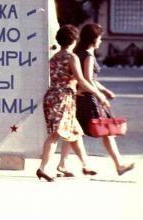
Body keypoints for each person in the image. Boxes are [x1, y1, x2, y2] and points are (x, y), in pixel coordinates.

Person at [56, 23, 135, 177]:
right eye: (99, 38)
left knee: (73, 130)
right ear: (94, 39)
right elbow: (87, 79)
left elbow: (89, 79)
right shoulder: (88, 55)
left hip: (78, 97)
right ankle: (119, 164)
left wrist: (104, 90)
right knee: (106, 130)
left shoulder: (78, 53)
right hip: (88, 98)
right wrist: (100, 95)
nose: (101, 41)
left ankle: (63, 163)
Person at [36, 24, 109, 181]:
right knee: (55, 134)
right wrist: (99, 95)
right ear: (74, 40)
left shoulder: (54, 57)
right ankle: (43, 168)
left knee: (75, 131)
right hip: (63, 99)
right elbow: (81, 80)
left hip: (53, 96)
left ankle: (85, 165)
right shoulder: (71, 57)